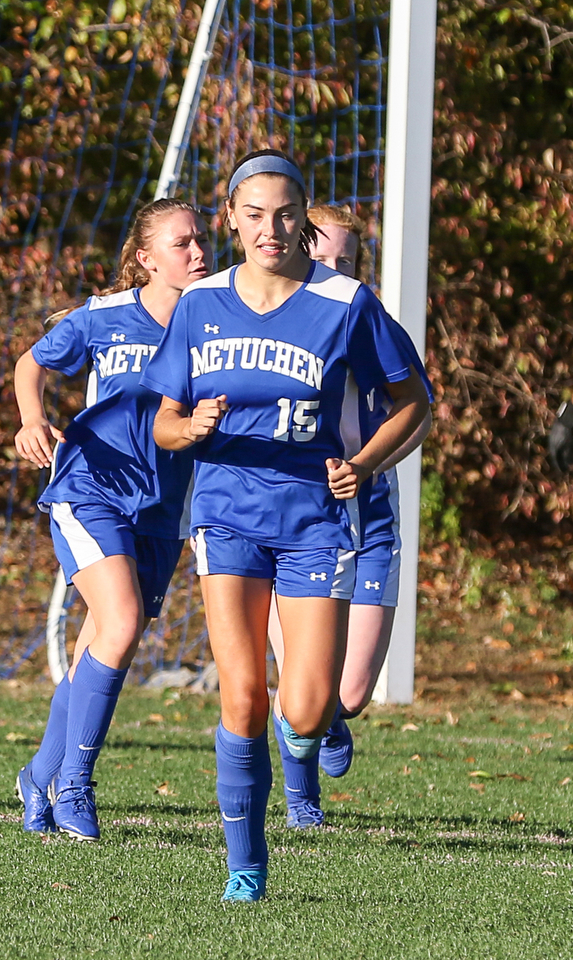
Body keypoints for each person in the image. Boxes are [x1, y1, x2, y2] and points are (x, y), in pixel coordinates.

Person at [141, 150, 431, 901]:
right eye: (254, 215)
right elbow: (164, 421)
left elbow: (414, 403)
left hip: (314, 521)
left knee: (306, 707)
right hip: (227, 516)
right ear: (231, 219)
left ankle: (308, 738)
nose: (270, 228)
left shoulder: (345, 301)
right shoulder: (200, 302)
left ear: (304, 219)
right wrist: (191, 428)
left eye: (285, 214)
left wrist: (363, 462)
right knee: (242, 696)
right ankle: (245, 865)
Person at [13, 198, 212, 840]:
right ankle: (74, 784)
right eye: (182, 243)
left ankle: (38, 776)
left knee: (103, 643)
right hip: (91, 488)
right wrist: (32, 418)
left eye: (201, 239)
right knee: (121, 623)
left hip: (164, 508)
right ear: (146, 259)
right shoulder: (104, 315)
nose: (198, 252)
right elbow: (31, 363)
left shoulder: (220, 321)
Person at [266, 204, 432, 828]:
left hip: (371, 518)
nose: (334, 269)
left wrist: (364, 464)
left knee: (350, 693)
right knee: (300, 680)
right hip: (292, 521)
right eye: (323, 256)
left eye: (347, 260)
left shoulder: (371, 321)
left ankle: (329, 721)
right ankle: (302, 799)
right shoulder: (266, 320)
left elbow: (416, 412)